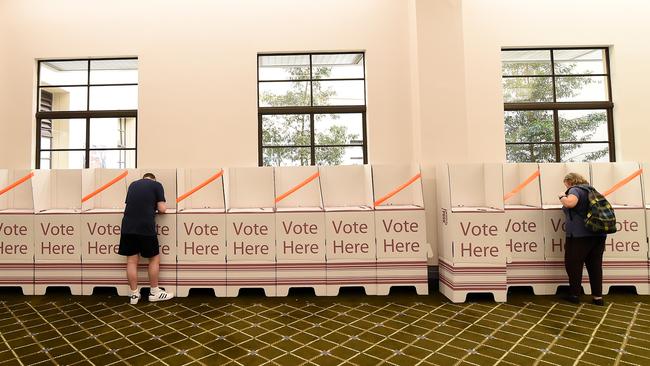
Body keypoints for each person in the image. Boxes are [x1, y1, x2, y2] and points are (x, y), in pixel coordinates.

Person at [118, 173, 174, 304]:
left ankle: (134, 295)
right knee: (153, 259)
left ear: (143, 178)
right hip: (145, 226)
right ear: (153, 179)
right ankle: (154, 292)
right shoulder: (157, 185)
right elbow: (162, 209)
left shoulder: (132, 184)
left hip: (127, 226)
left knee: (131, 261)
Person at [559, 172, 606, 306]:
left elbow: (570, 203)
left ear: (570, 181)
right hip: (598, 235)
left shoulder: (575, 190)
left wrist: (562, 195)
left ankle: (574, 295)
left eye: (566, 184)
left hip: (579, 236)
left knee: (573, 265)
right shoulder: (592, 190)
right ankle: (598, 298)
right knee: (595, 266)